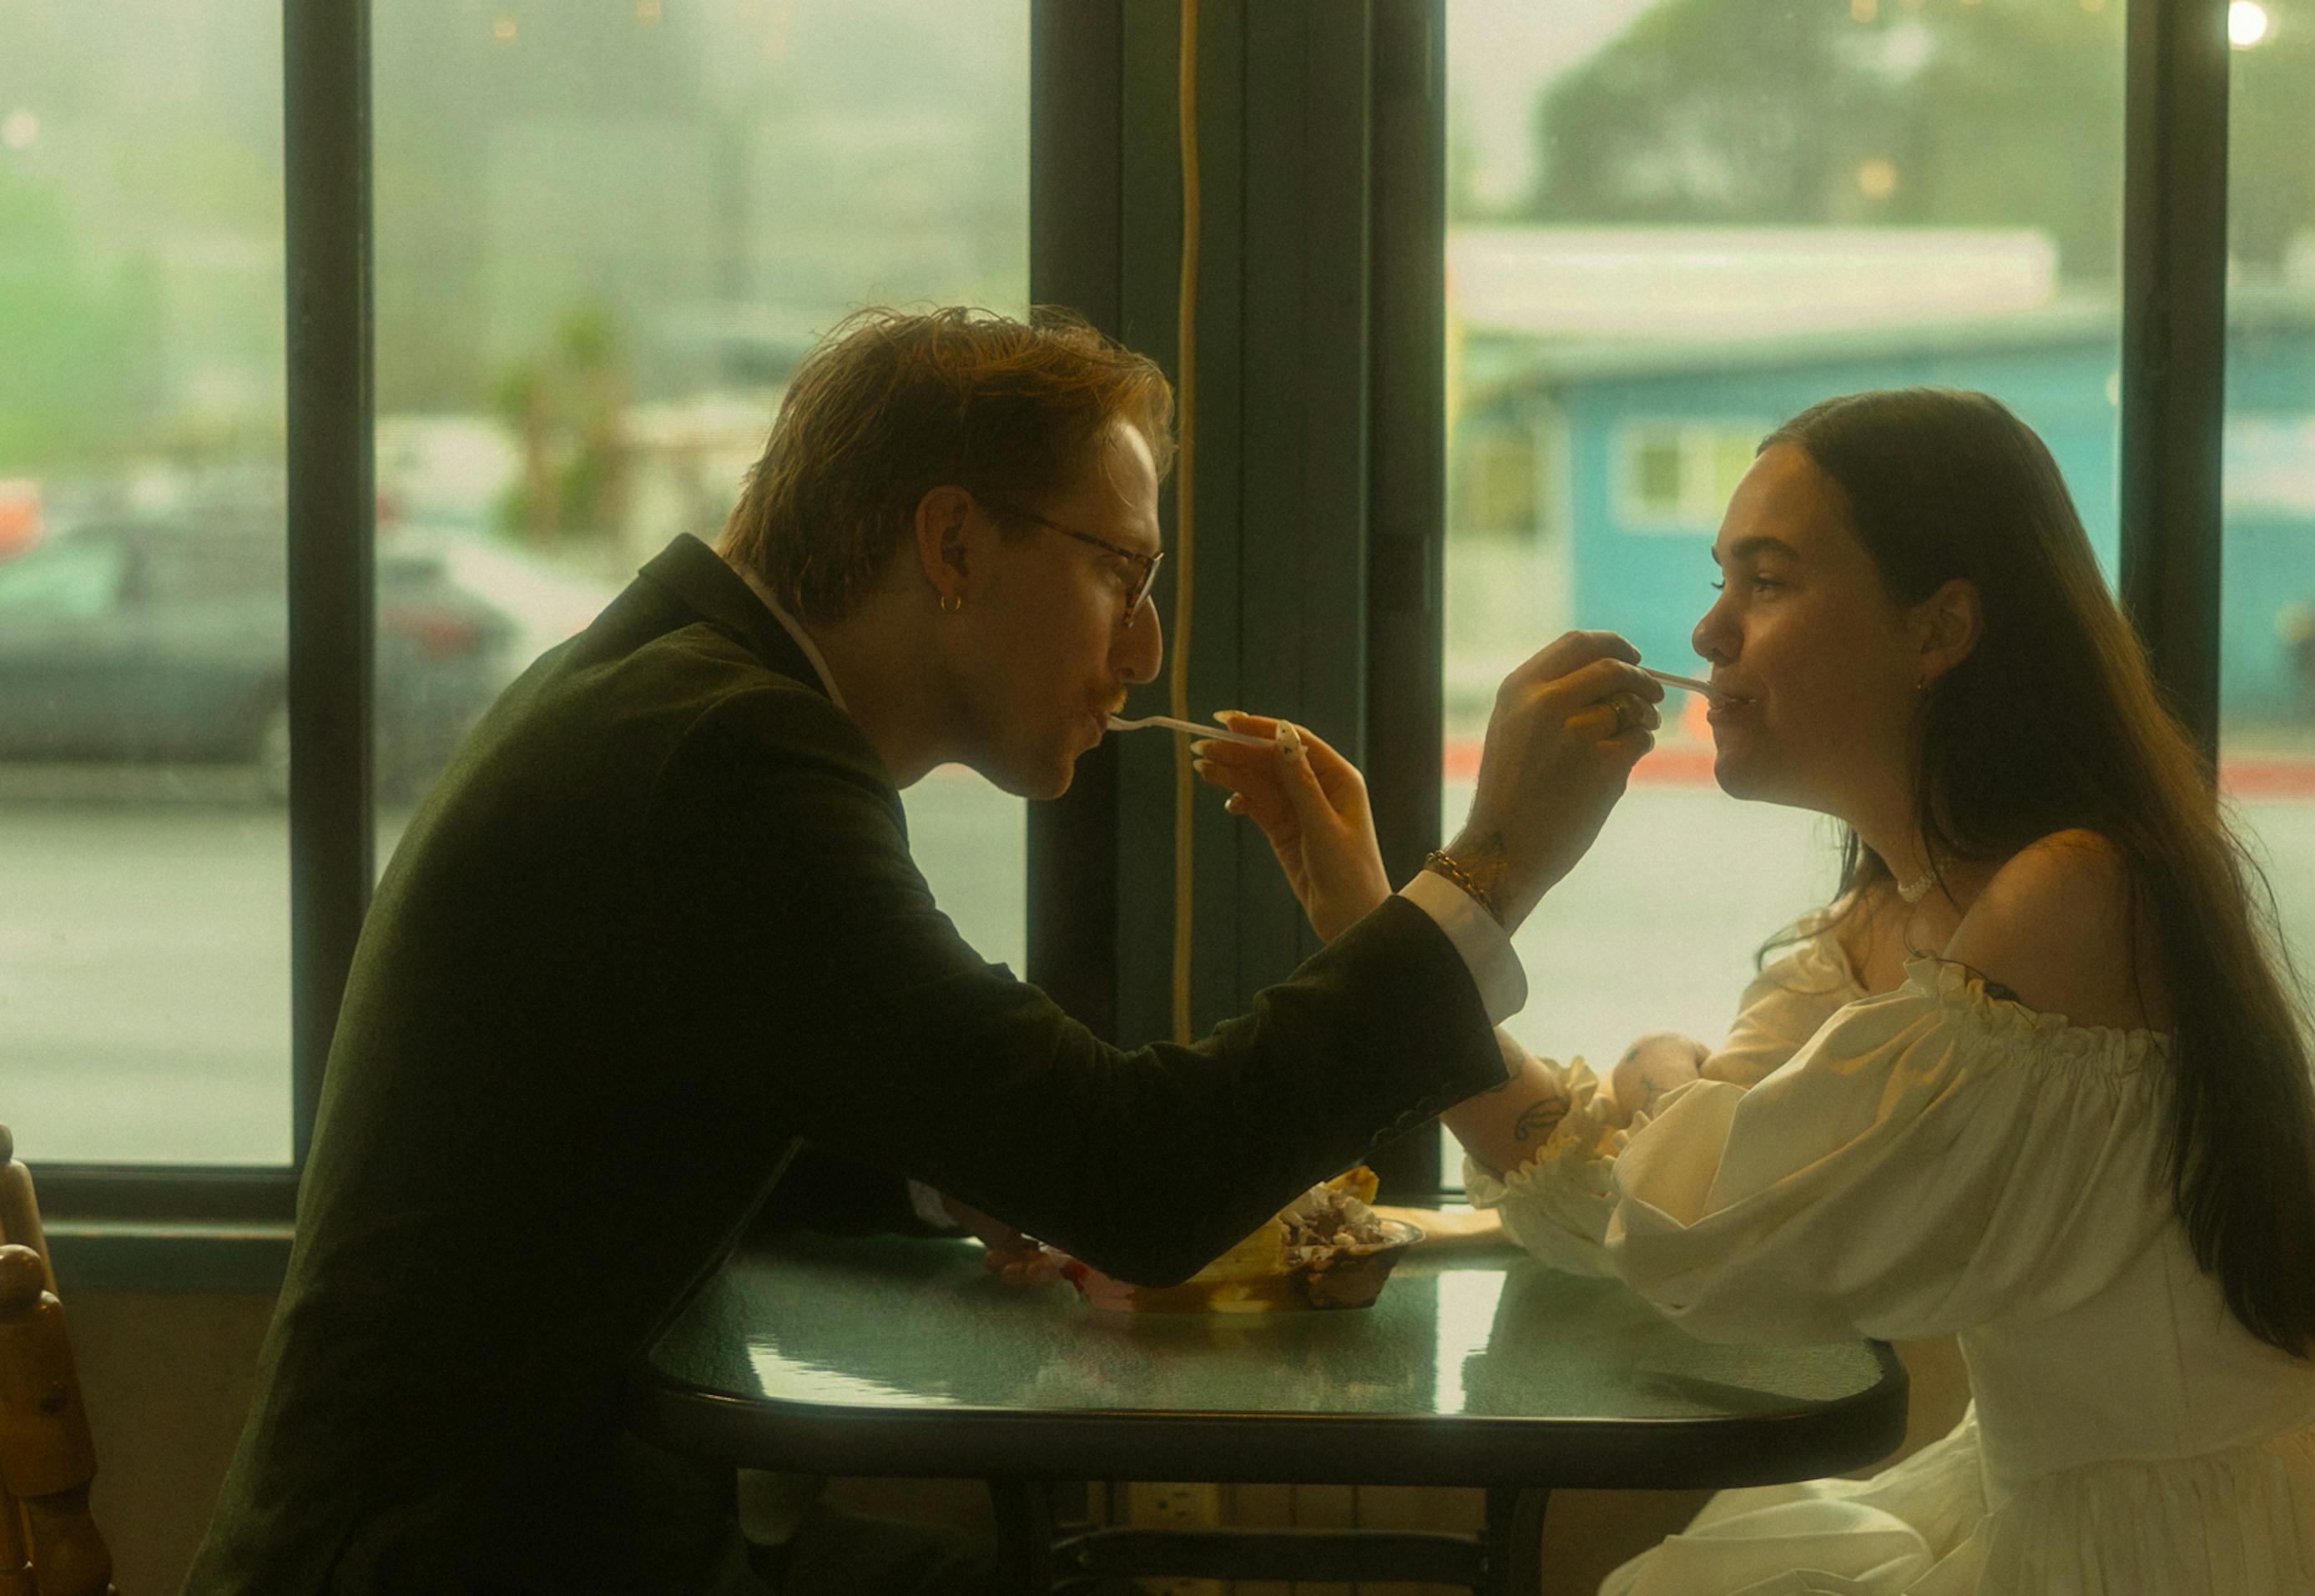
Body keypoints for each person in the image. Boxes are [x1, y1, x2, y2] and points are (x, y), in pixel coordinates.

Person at [184, 306, 1665, 1594]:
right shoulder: (732, 762)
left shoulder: (671, 689)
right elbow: (1144, 1178)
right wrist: (1491, 868)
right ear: (952, 542)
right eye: (1120, 574)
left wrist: (935, 1162)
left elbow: (655, 1104)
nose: (1146, 652)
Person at [1196, 388, 2315, 1595]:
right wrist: (1376, 926)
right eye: (1722, 582)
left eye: (1766, 580)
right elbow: (1647, 1212)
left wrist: (1665, 1074)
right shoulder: (1879, 920)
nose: (1707, 629)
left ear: (1940, 625)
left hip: (2228, 1543)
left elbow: (1701, 1226)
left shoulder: (2068, 898)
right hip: (2069, 1508)